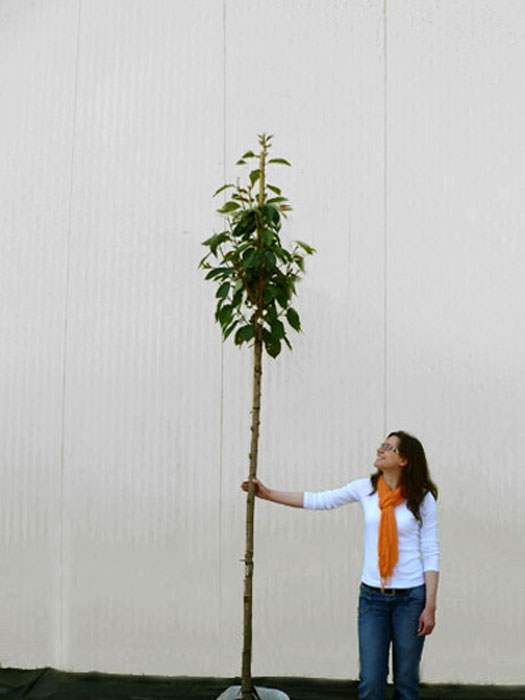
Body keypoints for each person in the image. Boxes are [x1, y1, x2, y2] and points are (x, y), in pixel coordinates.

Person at [241, 430, 439, 700]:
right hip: (373, 599)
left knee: (406, 683)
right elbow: (320, 500)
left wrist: (430, 605)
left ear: (403, 460)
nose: (379, 450)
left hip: (412, 599)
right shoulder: (365, 489)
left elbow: (430, 550)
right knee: (370, 682)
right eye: (382, 445)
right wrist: (268, 494)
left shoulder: (422, 497)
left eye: (387, 447)